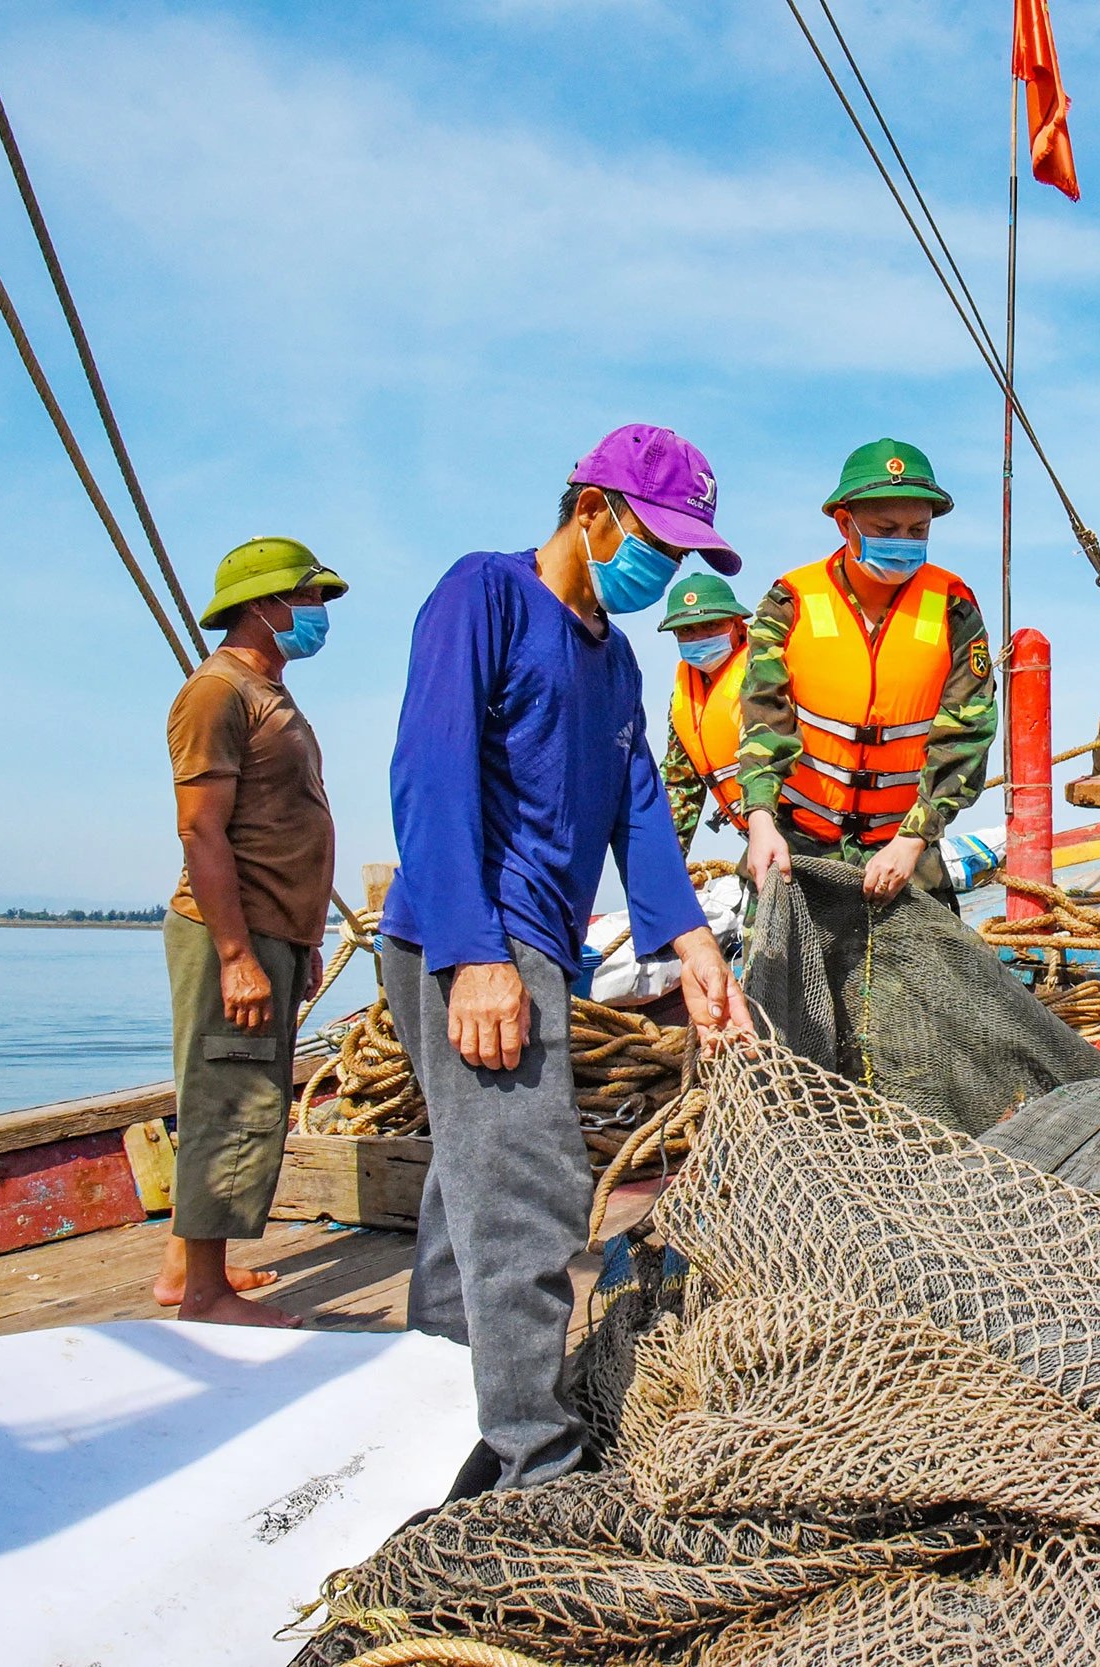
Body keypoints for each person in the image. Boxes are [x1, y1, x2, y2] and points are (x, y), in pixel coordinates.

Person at [378, 422, 752, 1494]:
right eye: (656, 544)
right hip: (473, 938)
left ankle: (432, 1390)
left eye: (681, 555)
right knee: (528, 1190)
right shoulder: (483, 594)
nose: (663, 571)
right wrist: (474, 953)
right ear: (592, 511)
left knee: (471, 1173)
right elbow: (429, 771)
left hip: (539, 941)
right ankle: (536, 1467)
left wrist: (693, 944)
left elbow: (639, 807)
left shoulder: (615, 659)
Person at [153, 537, 348, 1328]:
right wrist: (236, 954)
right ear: (265, 604)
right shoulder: (216, 691)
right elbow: (201, 829)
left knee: (234, 1087)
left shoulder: (267, 690)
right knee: (233, 1099)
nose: (319, 613)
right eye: (310, 598)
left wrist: (301, 942)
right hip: (230, 932)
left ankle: (185, 1265)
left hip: (274, 930)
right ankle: (206, 1298)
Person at [739, 438, 997, 908]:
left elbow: (967, 734)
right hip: (798, 851)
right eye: (886, 529)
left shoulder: (955, 609)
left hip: (905, 855)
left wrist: (912, 841)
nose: (903, 542)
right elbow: (764, 720)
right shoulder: (789, 603)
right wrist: (760, 820)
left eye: (918, 530)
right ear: (845, 523)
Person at [657, 570, 753, 851]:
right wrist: (666, 863)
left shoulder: (768, 671)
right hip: (756, 838)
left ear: (737, 624)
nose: (699, 637)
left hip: (810, 832)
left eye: (711, 625)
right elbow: (680, 786)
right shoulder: (684, 698)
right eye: (687, 630)